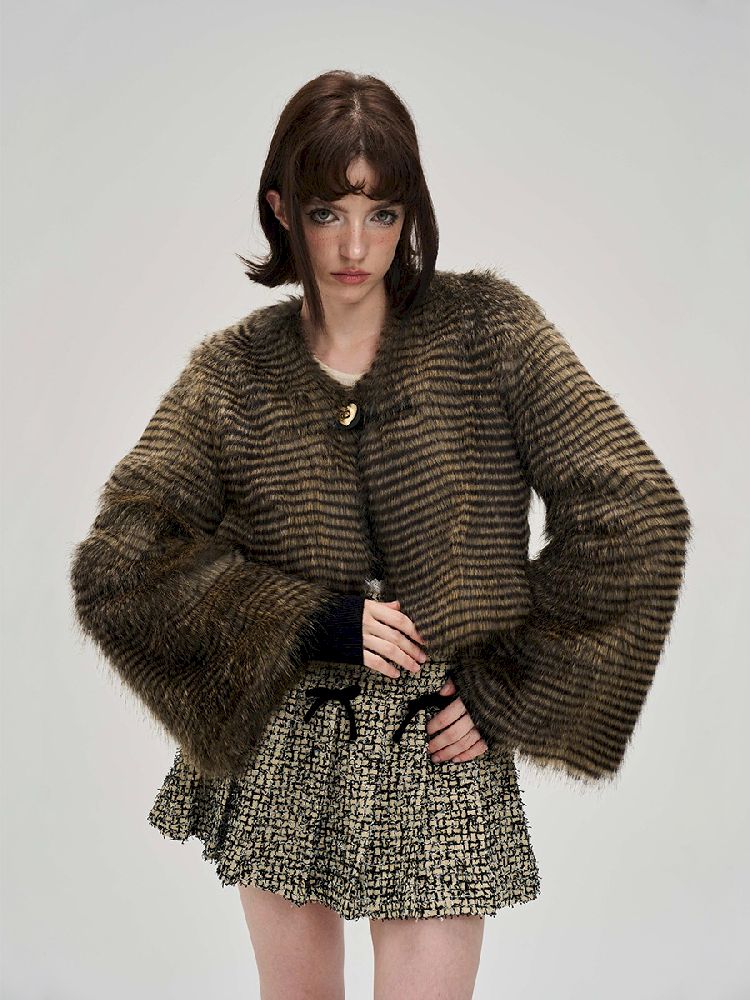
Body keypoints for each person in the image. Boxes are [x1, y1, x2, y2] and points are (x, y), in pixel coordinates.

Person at [69, 70, 691, 1000]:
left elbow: (636, 511)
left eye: (382, 213)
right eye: (327, 212)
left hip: (436, 741)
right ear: (282, 210)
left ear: (410, 215)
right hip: (288, 742)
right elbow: (120, 563)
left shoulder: (490, 332)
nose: (355, 245)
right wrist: (308, 620)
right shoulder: (234, 374)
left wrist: (515, 687)